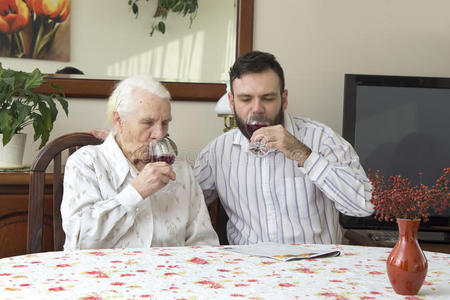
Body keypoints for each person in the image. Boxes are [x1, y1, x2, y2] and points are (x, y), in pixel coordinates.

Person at [194, 51, 374, 245]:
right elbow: (184, 205)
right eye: (246, 99)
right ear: (232, 102)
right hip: (249, 268)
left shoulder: (322, 139)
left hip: (316, 266)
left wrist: (304, 155)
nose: (257, 109)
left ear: (284, 99)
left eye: (268, 98)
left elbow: (364, 206)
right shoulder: (217, 152)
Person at [61, 75, 219, 250]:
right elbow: (80, 242)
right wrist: (136, 192)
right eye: (148, 122)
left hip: (172, 275)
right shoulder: (87, 163)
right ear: (119, 120)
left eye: (165, 123)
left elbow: (205, 243)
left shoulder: (181, 170)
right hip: (105, 275)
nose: (160, 134)